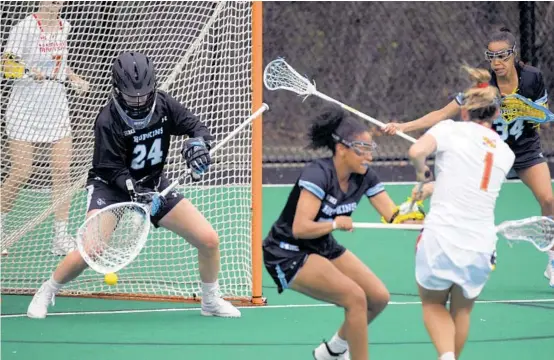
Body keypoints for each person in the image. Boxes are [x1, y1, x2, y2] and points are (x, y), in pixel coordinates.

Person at [26, 51, 241, 319]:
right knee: (91, 249)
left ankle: (210, 301)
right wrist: (135, 192)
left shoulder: (163, 105)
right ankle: (47, 290)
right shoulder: (107, 120)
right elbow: (111, 168)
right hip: (111, 186)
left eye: (144, 94)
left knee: (209, 240)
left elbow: (197, 127)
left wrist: (198, 145)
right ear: (117, 89)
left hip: (152, 184)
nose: (139, 101)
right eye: (131, 96)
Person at [383, 27, 554, 286]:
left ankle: (552, 257)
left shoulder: (532, 78)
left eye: (502, 56)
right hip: (489, 151)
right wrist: (403, 126)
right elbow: (442, 113)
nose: (496, 62)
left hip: (525, 150)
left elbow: (546, 122)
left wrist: (525, 108)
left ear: (513, 54)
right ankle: (419, 197)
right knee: (463, 189)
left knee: (549, 199)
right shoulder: (485, 85)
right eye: (491, 56)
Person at [262, 108, 426, 360]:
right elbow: (300, 228)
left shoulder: (365, 177)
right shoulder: (318, 174)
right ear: (341, 149)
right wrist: (335, 224)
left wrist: (414, 213)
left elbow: (393, 215)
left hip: (321, 244)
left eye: (371, 149)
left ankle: (332, 351)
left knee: (378, 298)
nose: (369, 156)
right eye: (363, 148)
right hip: (287, 251)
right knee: (356, 298)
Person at [408, 66, 515, 360]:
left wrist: (422, 176)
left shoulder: (448, 129)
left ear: (464, 111)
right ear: (495, 114)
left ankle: (446, 356)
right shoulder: (506, 153)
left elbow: (416, 151)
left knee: (432, 305)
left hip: (441, 237)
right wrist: (435, 186)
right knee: (463, 310)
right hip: (481, 243)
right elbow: (470, 181)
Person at [1, 0, 89, 256]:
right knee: (21, 172)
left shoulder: (65, 27)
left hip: (55, 109)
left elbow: (60, 64)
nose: (57, 1)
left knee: (62, 173)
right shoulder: (25, 27)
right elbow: (6, 65)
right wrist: (29, 71)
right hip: (25, 110)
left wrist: (74, 78)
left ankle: (60, 238)